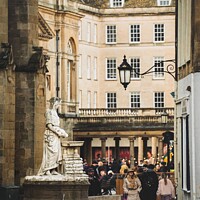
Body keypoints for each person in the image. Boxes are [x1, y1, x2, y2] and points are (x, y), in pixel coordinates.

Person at [38, 97, 68, 175]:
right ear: (54, 103)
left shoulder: (55, 113)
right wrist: (58, 132)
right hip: (50, 135)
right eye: (58, 104)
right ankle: (47, 169)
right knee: (50, 152)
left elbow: (56, 126)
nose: (59, 105)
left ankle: (53, 169)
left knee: (56, 153)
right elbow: (49, 125)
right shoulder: (49, 112)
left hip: (56, 135)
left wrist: (62, 132)